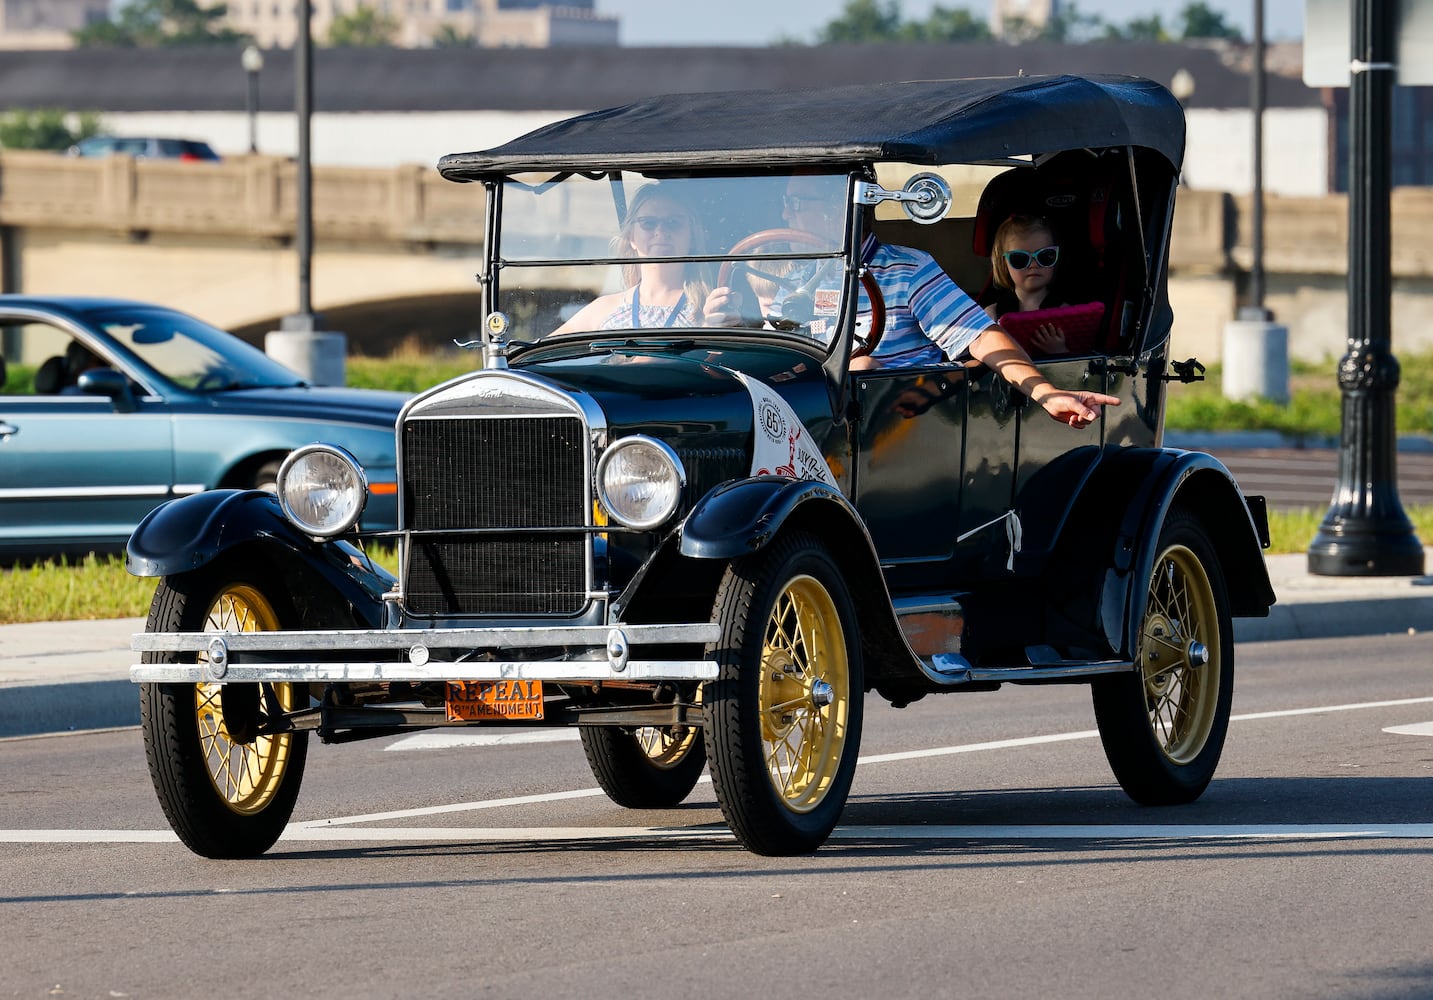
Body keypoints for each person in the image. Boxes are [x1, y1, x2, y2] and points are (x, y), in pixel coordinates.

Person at [706, 175, 1117, 429]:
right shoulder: (793, 277)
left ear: (841, 206)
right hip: (810, 417)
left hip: (899, 418)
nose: (788, 214)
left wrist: (1045, 392)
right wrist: (730, 332)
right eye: (787, 203)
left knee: (862, 366)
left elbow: (979, 336)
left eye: (799, 203)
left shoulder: (906, 269)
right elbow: (783, 353)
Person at [552, 182, 710, 335]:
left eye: (673, 223)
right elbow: (542, 354)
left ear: (693, 238)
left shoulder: (708, 308)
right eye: (648, 223)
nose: (660, 232)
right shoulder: (605, 309)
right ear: (631, 237)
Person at [983, 214, 1071, 355]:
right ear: (1004, 264)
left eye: (1045, 256)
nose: (1033, 265)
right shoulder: (992, 314)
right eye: (1020, 259)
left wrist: (1060, 351)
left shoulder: (1065, 312)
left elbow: (1078, 365)